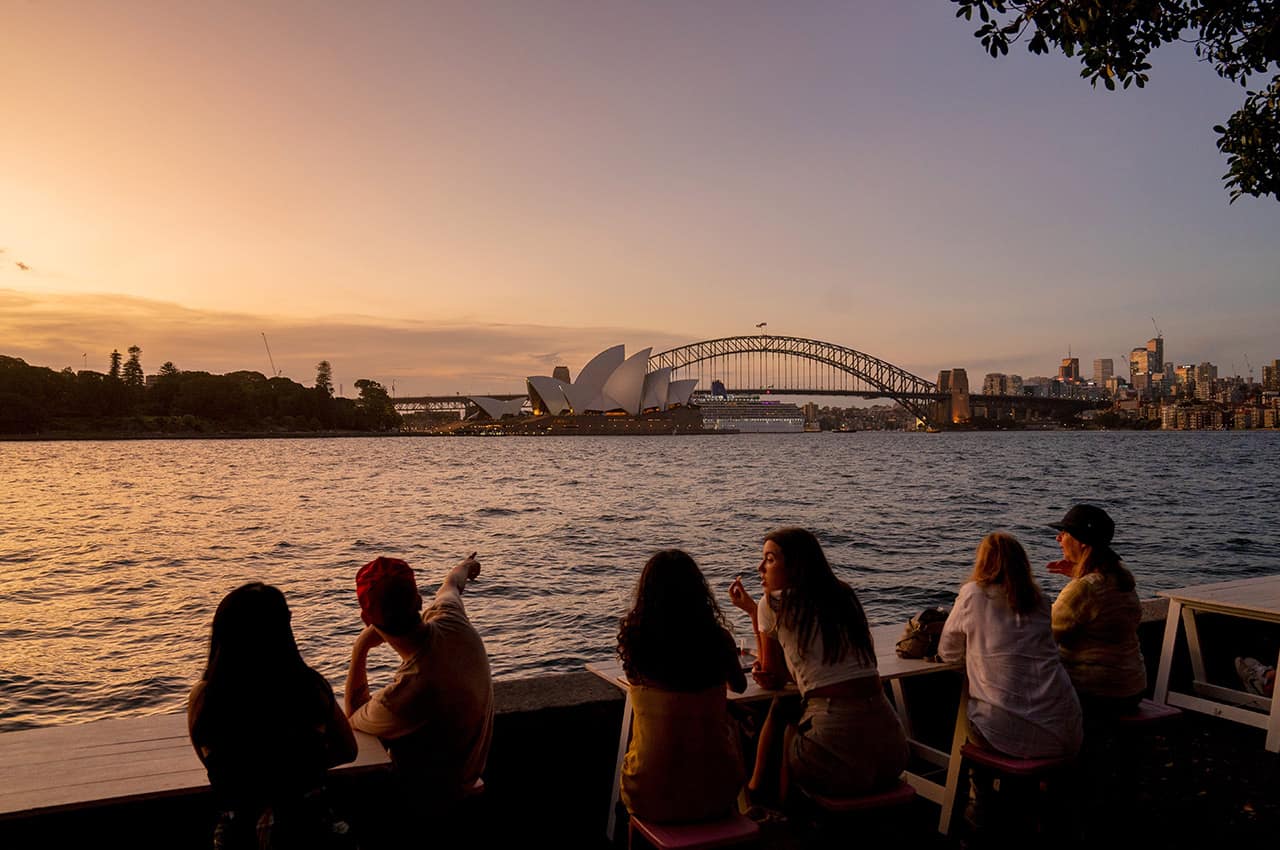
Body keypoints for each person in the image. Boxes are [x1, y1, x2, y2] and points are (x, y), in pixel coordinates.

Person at [727, 527, 907, 808]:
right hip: (893, 751)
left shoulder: (771, 603)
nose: (760, 567)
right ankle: (766, 799)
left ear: (795, 566)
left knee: (783, 711)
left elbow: (773, 677)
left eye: (770, 559)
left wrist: (754, 611)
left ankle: (766, 804)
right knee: (790, 708)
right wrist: (754, 611)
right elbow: (810, 671)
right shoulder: (843, 596)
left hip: (836, 759)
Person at [189, 582, 359, 850]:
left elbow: (209, 761)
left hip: (239, 838)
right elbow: (348, 751)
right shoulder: (310, 689)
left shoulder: (205, 698)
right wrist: (302, 767)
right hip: (311, 832)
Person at [343, 554, 493, 812]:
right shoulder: (453, 619)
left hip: (428, 805)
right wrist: (465, 567)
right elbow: (451, 586)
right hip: (471, 778)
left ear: (367, 620)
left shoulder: (404, 696)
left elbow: (354, 713)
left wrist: (360, 648)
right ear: (419, 601)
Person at [616, 549, 748, 823]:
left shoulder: (636, 640)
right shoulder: (718, 639)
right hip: (718, 794)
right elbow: (739, 685)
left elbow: (638, 681)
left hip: (648, 795)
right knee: (735, 724)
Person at [938, 533, 1083, 760]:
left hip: (1004, 735)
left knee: (973, 716)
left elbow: (948, 653)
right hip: (1065, 730)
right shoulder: (1042, 601)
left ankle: (981, 790)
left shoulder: (973, 594)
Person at [1046, 504, 1147, 725]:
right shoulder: (1121, 579)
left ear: (1082, 542)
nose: (1058, 539)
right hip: (1132, 688)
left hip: (1097, 694)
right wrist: (1079, 575)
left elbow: (1044, 636)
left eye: (1064, 534)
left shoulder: (1085, 589)